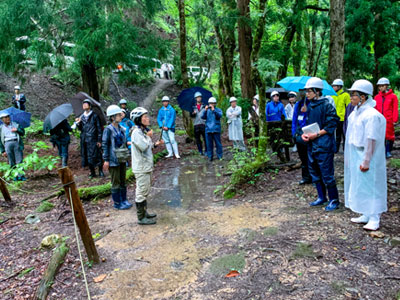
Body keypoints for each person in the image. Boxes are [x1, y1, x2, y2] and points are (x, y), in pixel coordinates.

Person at [345, 80, 387, 231]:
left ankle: (375, 216)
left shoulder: (371, 115)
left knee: (372, 185)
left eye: (353, 94)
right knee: (360, 184)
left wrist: (367, 160)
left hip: (368, 154)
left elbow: (371, 139)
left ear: (363, 97)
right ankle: (365, 213)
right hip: (356, 152)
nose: (351, 97)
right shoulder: (356, 112)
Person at [301, 77, 340, 211]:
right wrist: (305, 134)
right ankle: (321, 197)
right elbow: (307, 124)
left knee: (327, 173)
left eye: (309, 91)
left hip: (324, 145)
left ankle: (334, 200)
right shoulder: (310, 106)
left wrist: (316, 134)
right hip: (312, 144)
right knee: (314, 171)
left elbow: (332, 124)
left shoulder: (327, 105)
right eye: (306, 91)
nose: (307, 93)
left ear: (317, 91)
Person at [131, 107, 163, 225]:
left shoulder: (141, 131)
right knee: (141, 191)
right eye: (145, 117)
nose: (147, 119)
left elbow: (147, 146)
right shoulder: (136, 133)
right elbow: (143, 147)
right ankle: (141, 218)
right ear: (139, 119)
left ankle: (144, 213)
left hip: (146, 166)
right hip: (141, 167)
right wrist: (149, 137)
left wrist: (155, 144)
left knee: (145, 190)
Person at [102, 105, 132, 210]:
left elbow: (124, 142)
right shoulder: (108, 130)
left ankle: (124, 200)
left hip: (122, 158)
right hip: (113, 160)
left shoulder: (121, 128)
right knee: (116, 182)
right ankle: (117, 203)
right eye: (118, 115)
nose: (120, 116)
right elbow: (105, 144)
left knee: (123, 180)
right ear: (112, 117)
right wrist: (106, 160)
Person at [75, 99, 104, 178]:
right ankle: (92, 172)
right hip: (85, 139)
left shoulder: (94, 116)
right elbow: (81, 129)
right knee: (87, 156)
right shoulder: (82, 117)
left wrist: (99, 140)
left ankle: (100, 171)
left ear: (90, 106)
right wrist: (78, 123)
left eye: (86, 104)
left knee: (97, 155)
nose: (84, 105)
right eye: (83, 104)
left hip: (93, 139)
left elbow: (99, 128)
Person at [374, 77, 399, 158]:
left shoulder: (393, 96)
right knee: (380, 135)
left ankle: (388, 150)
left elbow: (395, 108)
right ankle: (382, 151)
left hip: (389, 119)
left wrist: (394, 119)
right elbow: (375, 108)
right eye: (379, 86)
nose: (381, 88)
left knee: (389, 136)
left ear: (387, 86)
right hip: (379, 119)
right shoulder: (377, 97)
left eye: (382, 86)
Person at [292, 91, 312, 185]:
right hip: (299, 133)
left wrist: (307, 110)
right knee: (303, 157)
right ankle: (305, 177)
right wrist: (294, 133)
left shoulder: (312, 103)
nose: (302, 93)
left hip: (310, 133)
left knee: (311, 157)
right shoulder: (298, 104)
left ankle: (314, 177)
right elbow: (295, 119)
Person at [0, 112, 25, 181]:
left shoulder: (15, 124)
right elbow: (0, 140)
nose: (7, 118)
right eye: (5, 117)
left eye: (8, 117)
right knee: (11, 160)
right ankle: (15, 176)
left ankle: (21, 175)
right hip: (7, 143)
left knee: (19, 159)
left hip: (16, 142)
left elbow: (23, 133)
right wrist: (2, 150)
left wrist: (17, 130)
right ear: (2, 119)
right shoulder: (1, 128)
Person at [332, 79, 351, 153]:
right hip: (335, 118)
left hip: (343, 118)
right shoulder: (332, 95)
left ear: (339, 86)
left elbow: (348, 107)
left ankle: (345, 149)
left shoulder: (345, 95)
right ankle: (336, 149)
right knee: (337, 134)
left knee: (345, 134)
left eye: (334, 86)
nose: (333, 87)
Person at [201, 97, 223, 161]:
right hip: (208, 130)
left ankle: (220, 156)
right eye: (210, 103)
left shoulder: (218, 110)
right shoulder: (207, 110)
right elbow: (202, 117)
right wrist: (205, 110)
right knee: (209, 144)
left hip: (216, 129)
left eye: (212, 103)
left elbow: (219, 116)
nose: (211, 105)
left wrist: (214, 110)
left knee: (218, 144)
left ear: (215, 103)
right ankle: (210, 156)